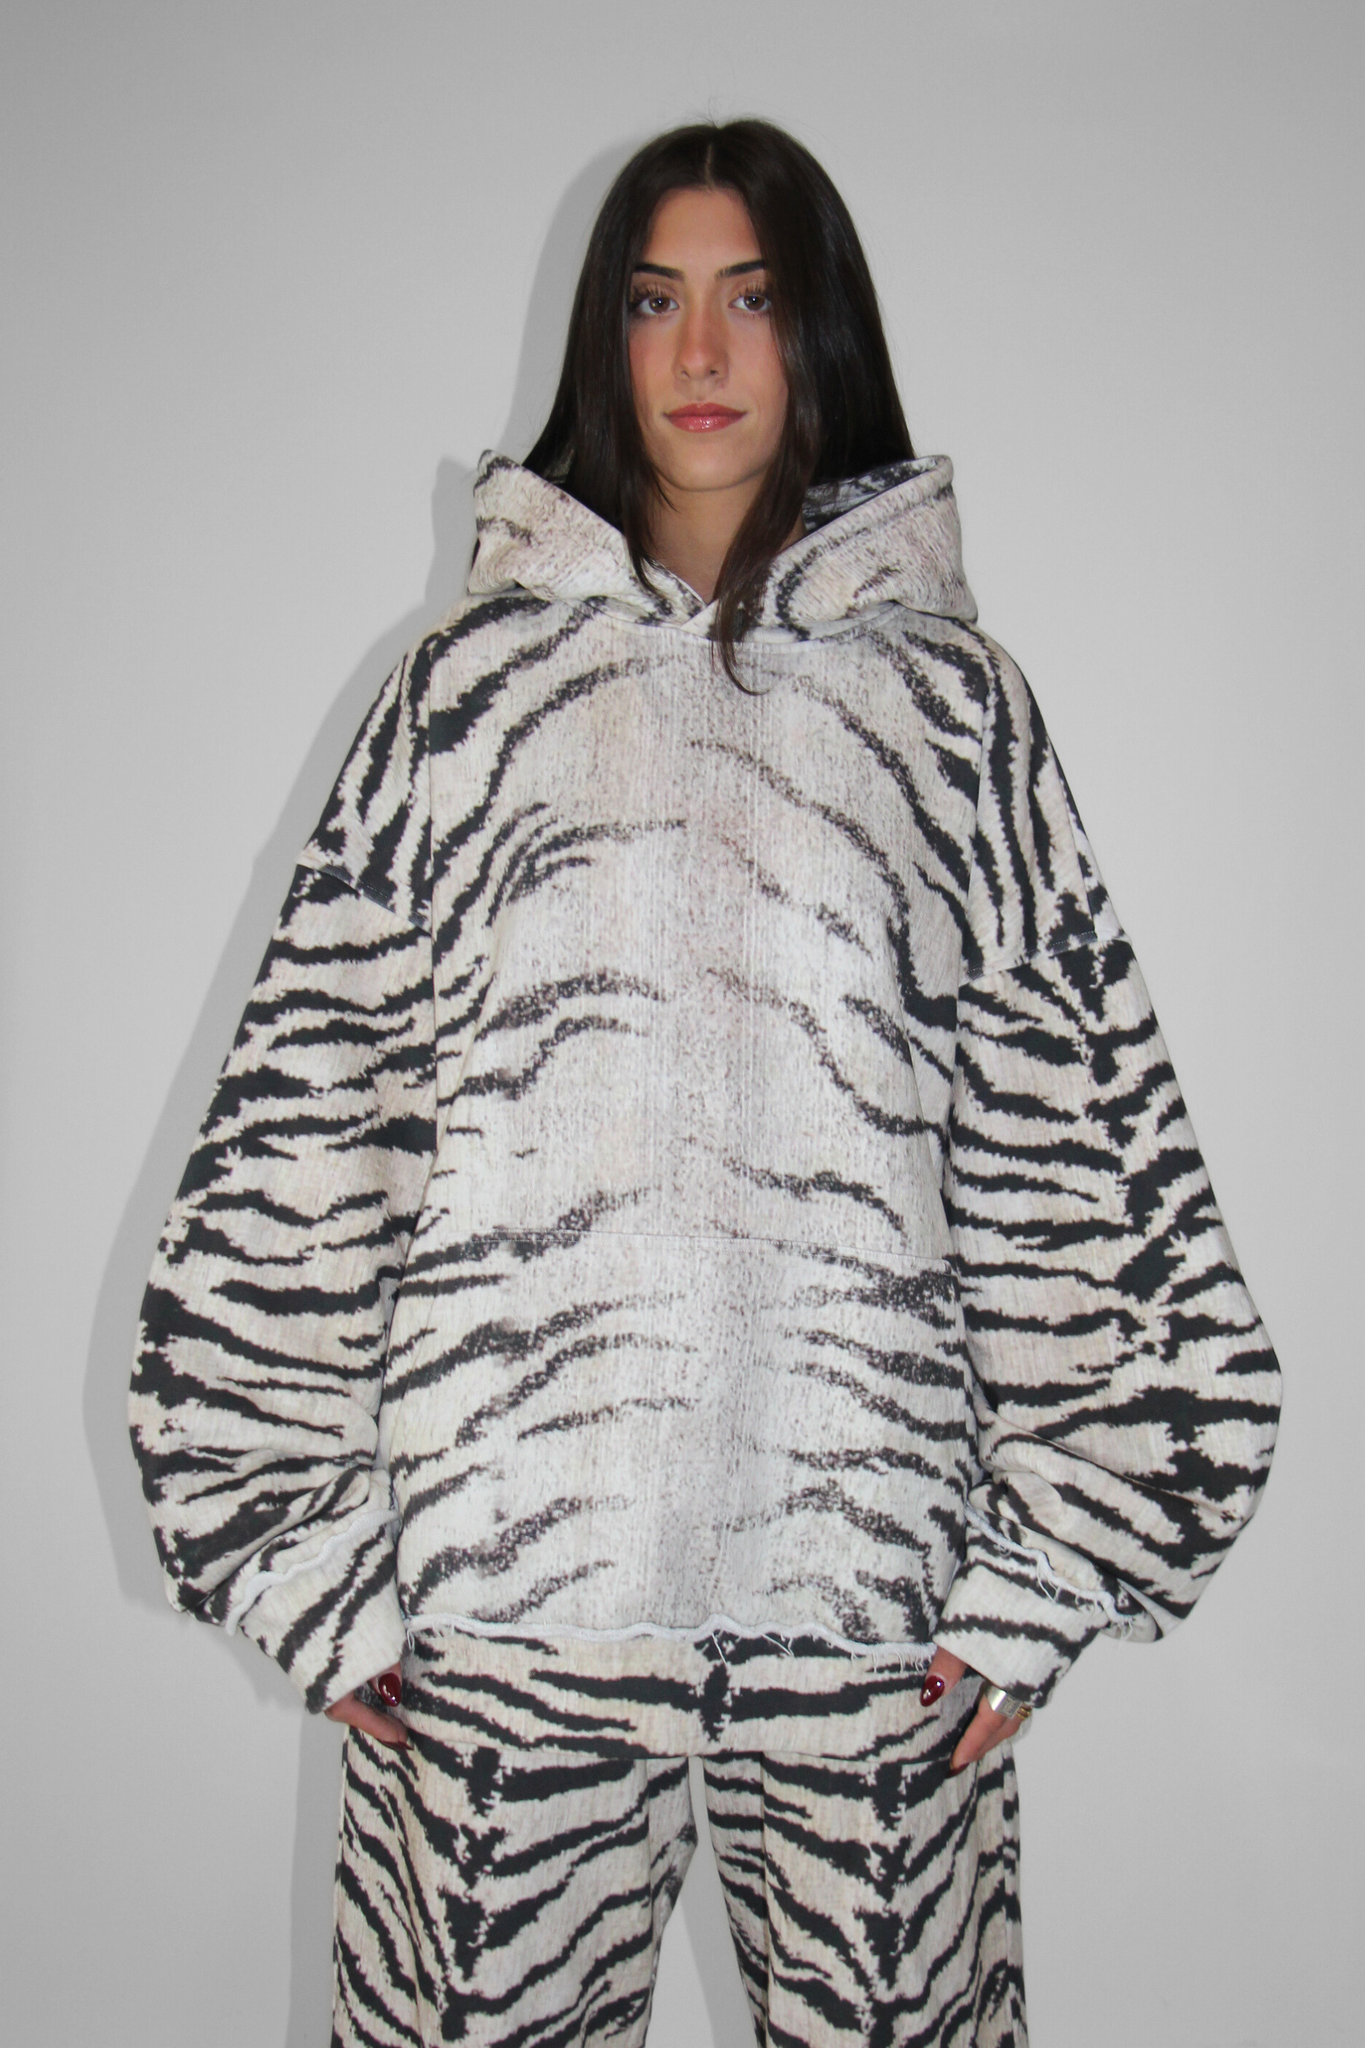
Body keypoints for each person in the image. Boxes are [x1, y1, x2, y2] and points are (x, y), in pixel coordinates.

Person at [129, 119, 1280, 2047]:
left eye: (752, 297)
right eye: (655, 300)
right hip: (503, 1624)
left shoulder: (955, 712)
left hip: (873, 1631)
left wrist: (1058, 1563)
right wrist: (302, 1557)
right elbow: (312, 1124)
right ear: (606, 337)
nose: (701, 352)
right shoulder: (461, 701)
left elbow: (1081, 1145)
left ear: (821, 328)